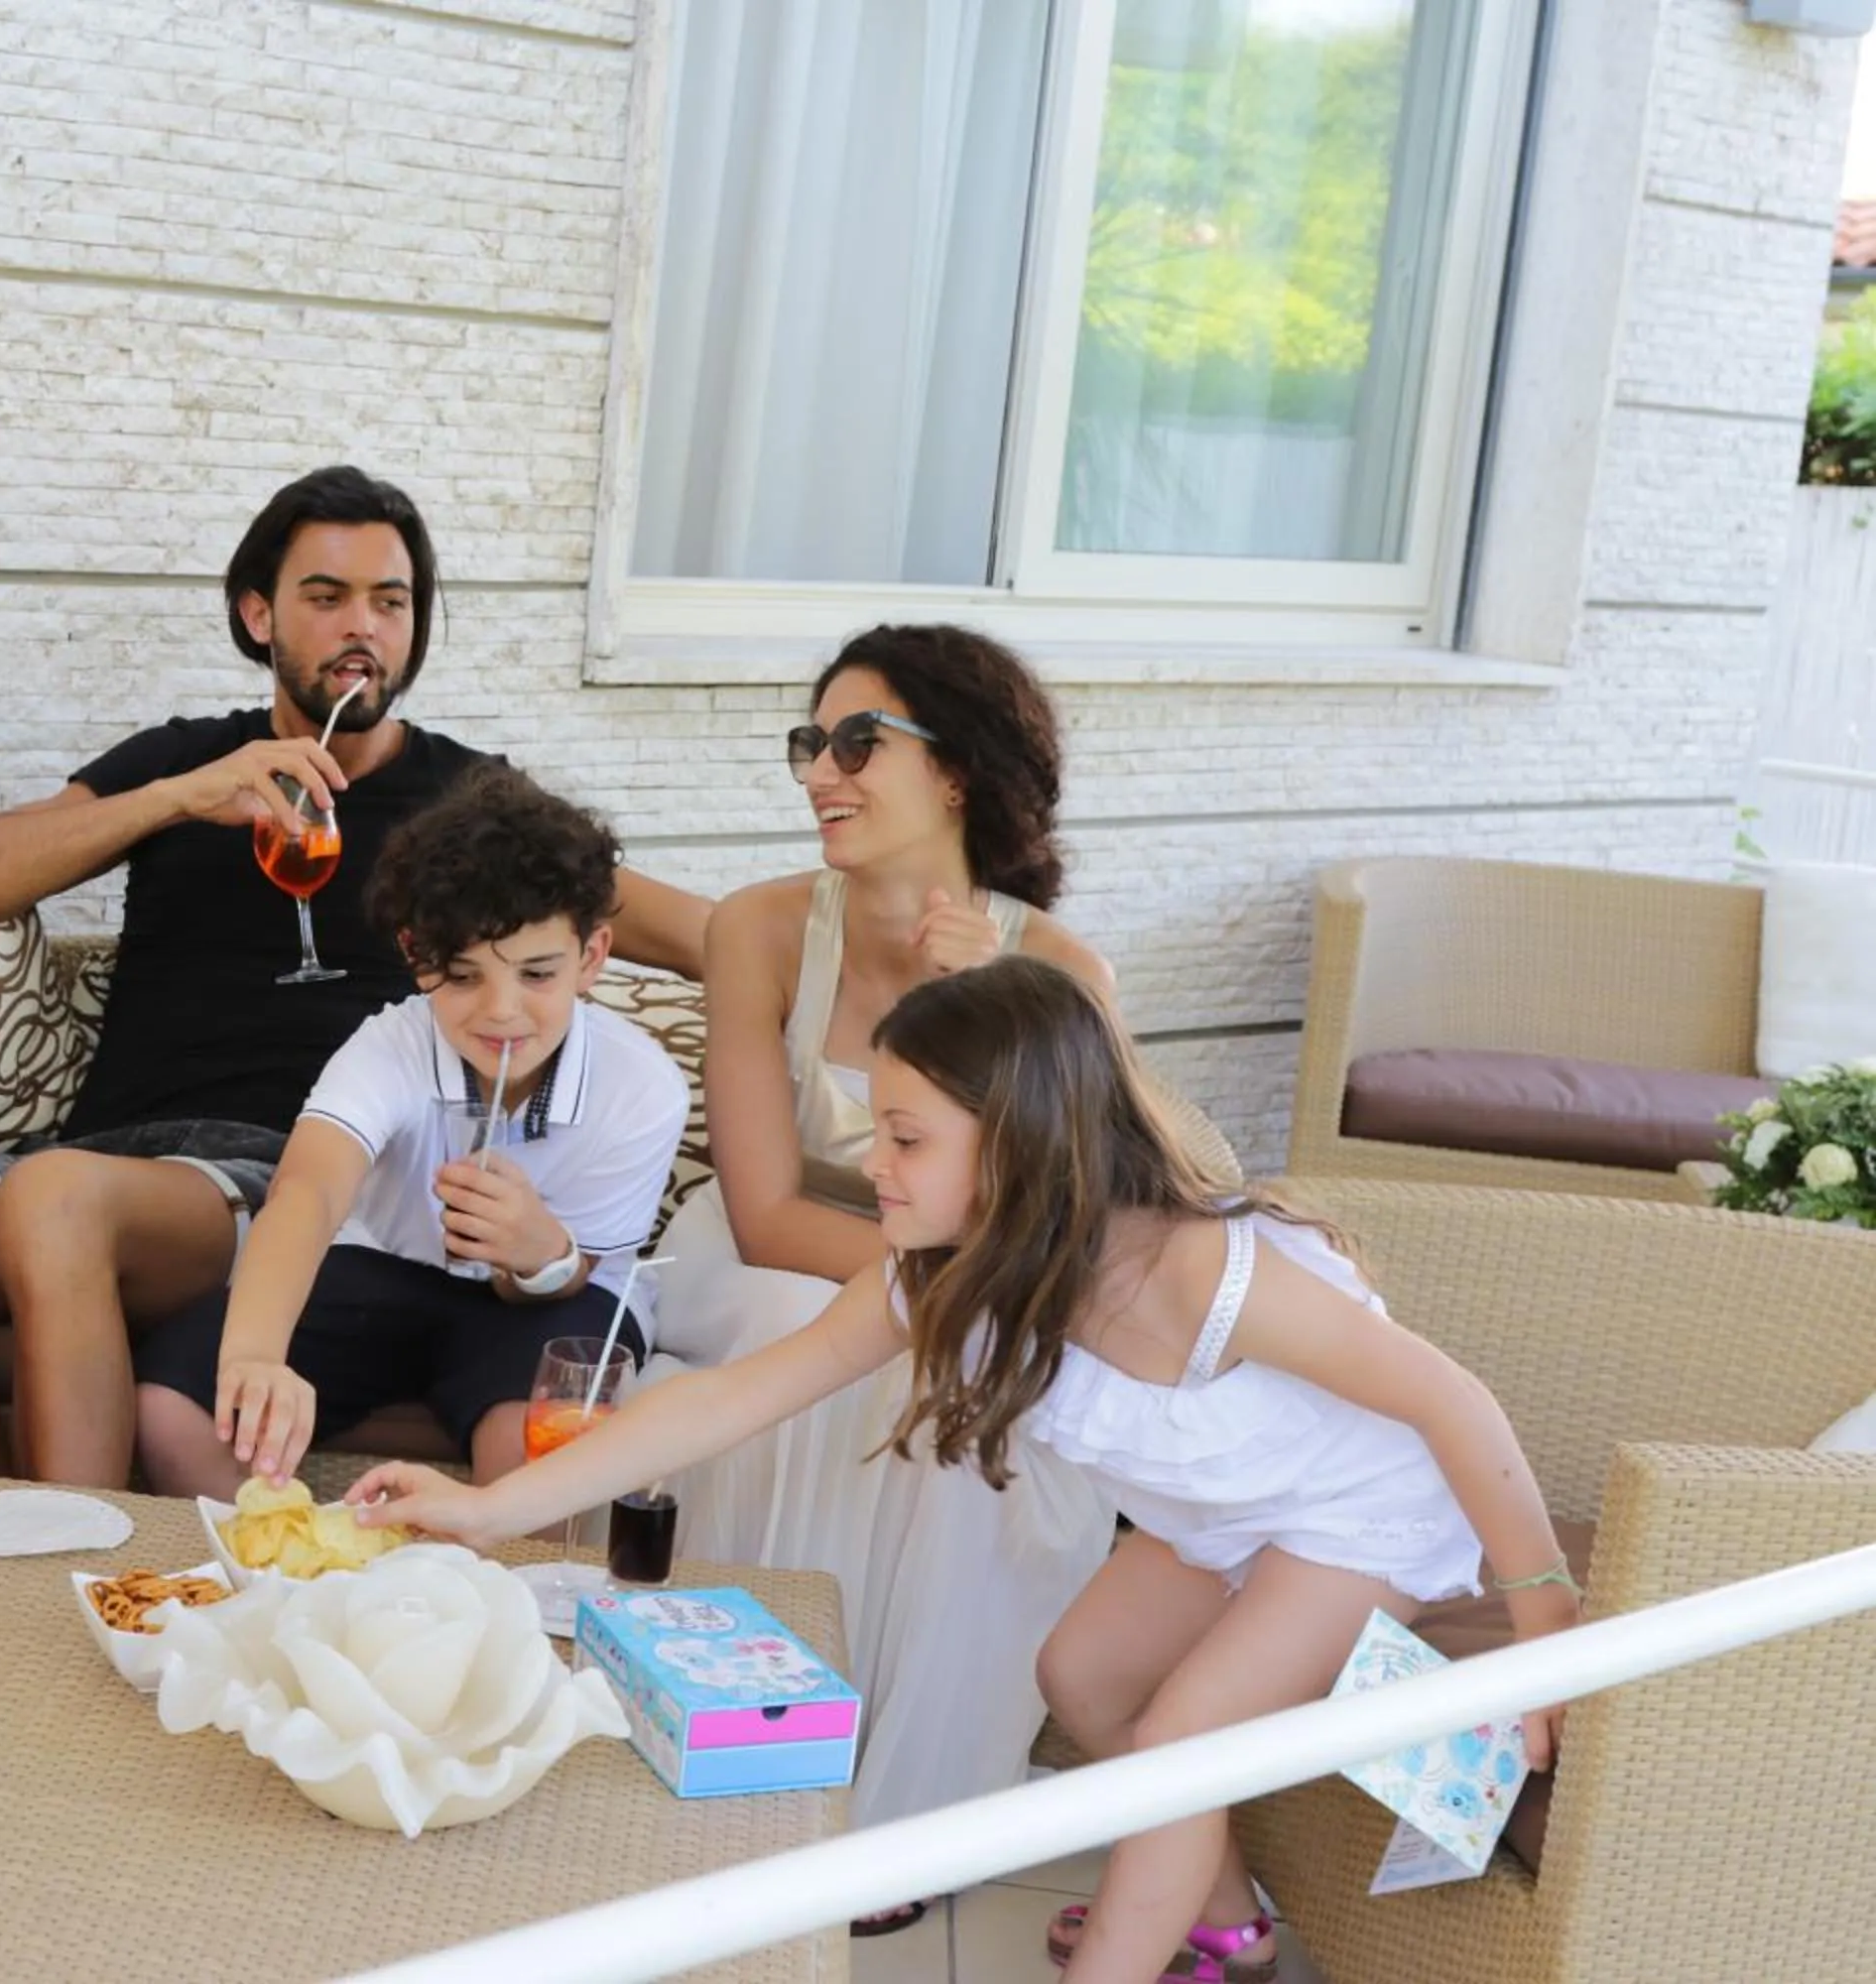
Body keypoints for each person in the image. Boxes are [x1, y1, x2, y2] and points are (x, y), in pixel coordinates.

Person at [351, 956, 1578, 1984]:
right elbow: (730, 1396)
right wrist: (485, 1505)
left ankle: (1133, 1951)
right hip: (1225, 1522)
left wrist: (1544, 1631)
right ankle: (1230, 1924)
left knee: (1179, 1737)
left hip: (1359, 1517)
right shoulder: (940, 1273)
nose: (871, 1160)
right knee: (1080, 1674)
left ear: (1024, 1147)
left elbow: (1446, 1397)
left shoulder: (1204, 1272)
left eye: (904, 1136)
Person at [0, 465, 709, 1486]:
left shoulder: (469, 805)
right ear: (259, 614)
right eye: (326, 596)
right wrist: (172, 798)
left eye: (392, 602)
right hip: (112, 1163)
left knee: (56, 1196)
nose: (363, 628)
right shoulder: (188, 762)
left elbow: (696, 933)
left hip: (278, 1179)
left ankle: (64, 1543)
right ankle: (6, 1529)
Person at [653, 624, 1116, 1904]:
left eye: (859, 742)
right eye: (811, 743)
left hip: (960, 1281)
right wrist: (938, 1301)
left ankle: (892, 1817)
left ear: (956, 771)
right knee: (821, 1340)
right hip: (764, 1260)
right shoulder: (756, 928)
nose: (819, 771)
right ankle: (739, 1766)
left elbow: (1077, 1211)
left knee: (982, 1405)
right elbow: (761, 1208)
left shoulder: (1059, 972)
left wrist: (996, 1024)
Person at [132, 767, 688, 1494]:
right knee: (174, 1406)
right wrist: (255, 1358)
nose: (501, 1011)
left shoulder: (641, 1086)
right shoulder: (389, 1046)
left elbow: (576, 1277)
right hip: (385, 1274)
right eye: (462, 976)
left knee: (543, 1451)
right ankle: (288, 1589)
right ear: (414, 954)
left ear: (591, 958)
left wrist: (538, 1254)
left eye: (537, 975)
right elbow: (306, 1193)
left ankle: (495, 1602)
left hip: (558, 1299)